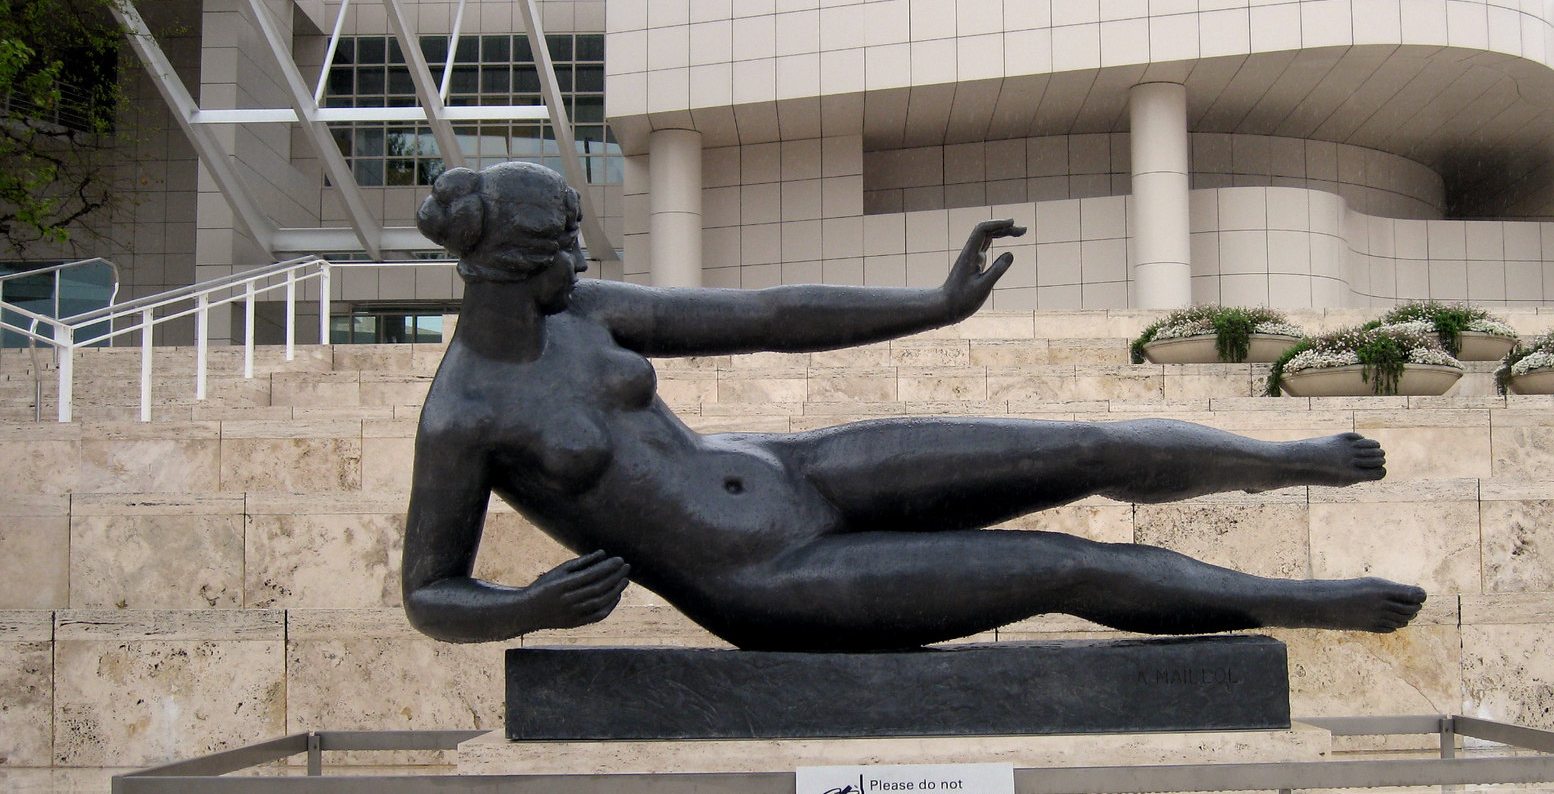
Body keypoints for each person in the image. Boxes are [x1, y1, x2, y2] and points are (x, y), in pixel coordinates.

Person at [402, 161, 1426, 652]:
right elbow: (429, 591)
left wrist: (930, 308)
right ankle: (1303, 603)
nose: (584, 260)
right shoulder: (465, 414)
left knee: (1083, 445)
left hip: (797, 471)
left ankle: (1277, 458)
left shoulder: (585, 312)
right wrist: (527, 609)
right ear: (507, 264)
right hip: (766, 578)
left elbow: (769, 312)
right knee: (1063, 565)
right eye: (567, 245)